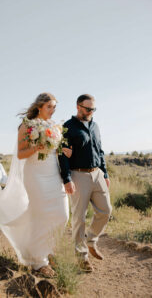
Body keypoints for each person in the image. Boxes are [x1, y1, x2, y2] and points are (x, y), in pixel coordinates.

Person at [0, 93, 70, 278]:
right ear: (39, 107)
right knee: (40, 215)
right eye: (49, 107)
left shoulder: (55, 126)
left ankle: (46, 249)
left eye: (55, 107)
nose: (53, 111)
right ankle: (39, 262)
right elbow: (21, 154)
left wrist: (63, 150)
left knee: (62, 215)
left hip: (53, 173)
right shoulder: (26, 126)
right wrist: (36, 148)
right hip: (35, 174)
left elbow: (55, 150)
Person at [58, 94, 112, 272]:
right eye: (87, 109)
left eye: (93, 109)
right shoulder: (68, 127)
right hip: (78, 175)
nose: (90, 112)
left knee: (106, 210)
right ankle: (81, 256)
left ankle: (91, 240)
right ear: (78, 107)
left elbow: (100, 150)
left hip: (97, 174)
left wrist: (104, 173)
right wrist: (66, 179)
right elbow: (62, 155)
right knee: (79, 218)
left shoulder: (95, 126)